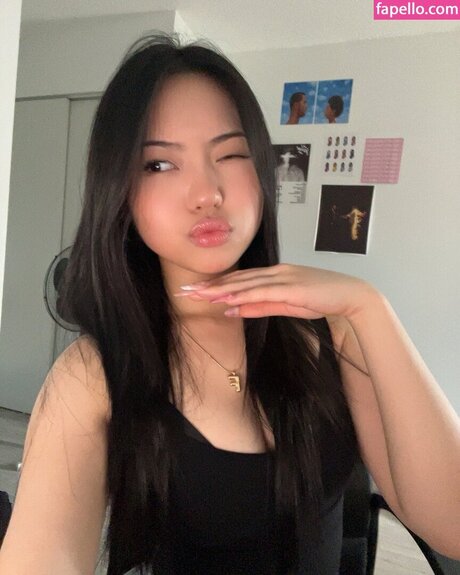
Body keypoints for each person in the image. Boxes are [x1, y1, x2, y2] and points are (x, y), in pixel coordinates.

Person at [1, 33, 459, 575]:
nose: (207, 193)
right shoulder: (91, 374)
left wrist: (370, 307)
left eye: (231, 154)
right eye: (159, 165)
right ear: (119, 193)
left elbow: (451, 526)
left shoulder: (334, 332)